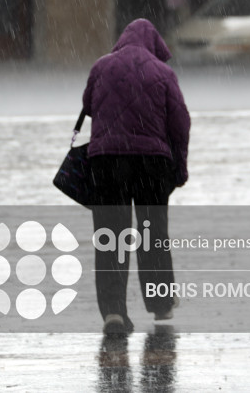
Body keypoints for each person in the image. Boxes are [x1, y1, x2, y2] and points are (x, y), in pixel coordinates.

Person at [82, 18, 191, 335]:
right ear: (154, 44)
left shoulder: (101, 67)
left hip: (107, 162)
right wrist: (179, 166)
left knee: (110, 237)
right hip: (151, 163)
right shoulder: (163, 73)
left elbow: (88, 105)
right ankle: (161, 303)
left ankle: (113, 312)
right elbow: (180, 124)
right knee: (152, 232)